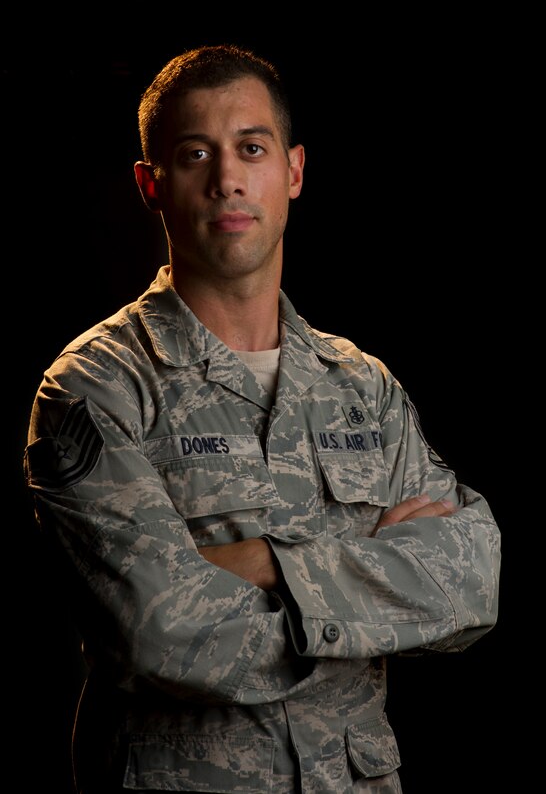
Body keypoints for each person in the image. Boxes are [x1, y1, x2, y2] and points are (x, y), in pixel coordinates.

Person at [24, 44, 501, 794]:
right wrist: (368, 565)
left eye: (252, 148)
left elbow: (472, 580)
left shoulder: (361, 385)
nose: (227, 179)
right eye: (194, 155)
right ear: (152, 185)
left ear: (295, 172)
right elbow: (155, 631)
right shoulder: (96, 387)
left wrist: (264, 561)